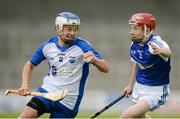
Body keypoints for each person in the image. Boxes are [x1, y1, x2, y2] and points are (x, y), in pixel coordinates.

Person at [17, 12, 109, 118]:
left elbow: (106, 68)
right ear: (59, 28)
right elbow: (29, 65)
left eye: (75, 29)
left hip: (68, 102)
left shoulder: (84, 46)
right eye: (69, 29)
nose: (73, 33)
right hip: (47, 93)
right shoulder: (48, 46)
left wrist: (94, 61)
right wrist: (24, 85)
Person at [121, 13, 172, 118]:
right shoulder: (134, 45)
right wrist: (131, 85)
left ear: (147, 30)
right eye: (132, 28)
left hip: (155, 91)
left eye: (136, 28)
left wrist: (161, 51)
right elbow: (137, 65)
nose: (132, 31)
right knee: (140, 117)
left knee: (126, 116)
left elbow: (168, 52)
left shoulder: (156, 43)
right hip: (139, 87)